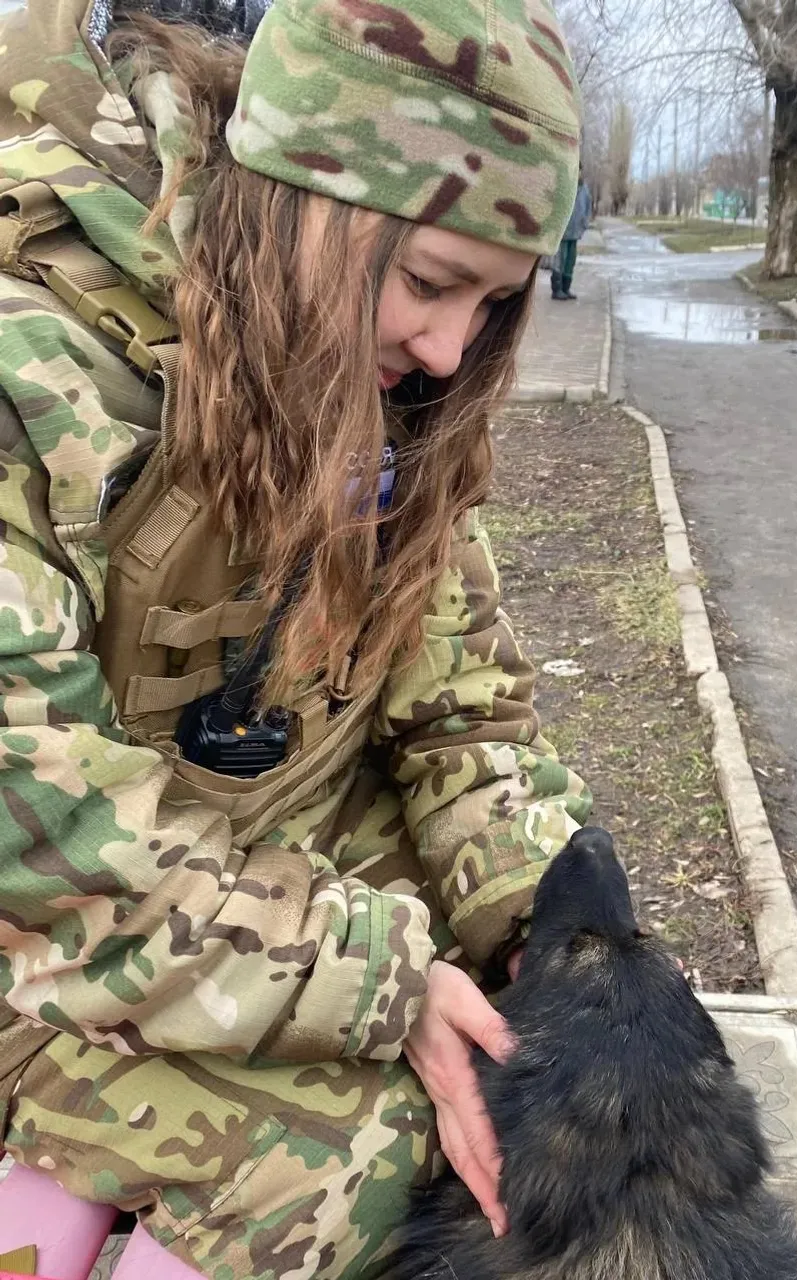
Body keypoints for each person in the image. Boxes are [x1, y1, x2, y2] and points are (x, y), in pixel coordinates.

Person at [0, 1, 590, 1277]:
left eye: (491, 304)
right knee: (349, 1167)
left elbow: (460, 703)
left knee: (522, 1087)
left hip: (250, 866)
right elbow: (55, 856)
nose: (447, 346)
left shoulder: (390, 384)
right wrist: (391, 988)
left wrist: (565, 931)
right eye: (428, 281)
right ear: (299, 208)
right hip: (52, 924)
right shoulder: (34, 372)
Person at [550, 168, 592, 300]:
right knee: (559, 261)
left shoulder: (584, 188)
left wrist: (584, 224)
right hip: (562, 232)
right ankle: (557, 290)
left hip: (575, 232)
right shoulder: (564, 184)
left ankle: (566, 288)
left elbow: (588, 206)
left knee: (570, 261)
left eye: (579, 170)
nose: (577, 173)